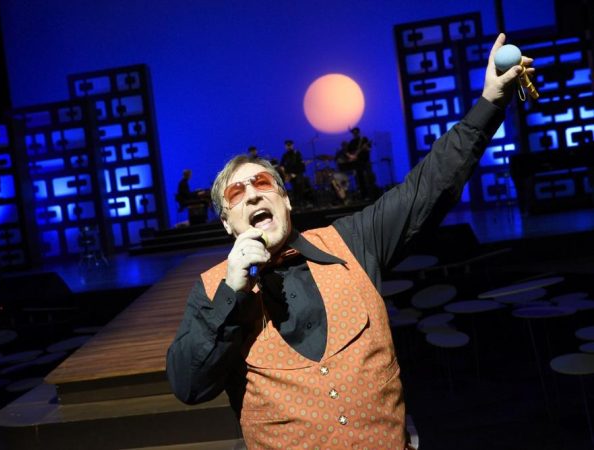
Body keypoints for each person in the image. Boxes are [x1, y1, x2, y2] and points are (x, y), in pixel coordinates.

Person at [166, 34, 533, 449]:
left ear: (286, 200)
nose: (252, 194)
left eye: (263, 183)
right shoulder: (211, 290)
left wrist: (489, 103)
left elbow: (429, 186)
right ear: (227, 223)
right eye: (237, 192)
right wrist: (231, 294)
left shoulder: (352, 242)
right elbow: (189, 385)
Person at [279, 139, 312, 207]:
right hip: (289, 175)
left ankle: (302, 202)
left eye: (289, 145)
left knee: (300, 187)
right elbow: (281, 165)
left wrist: (295, 173)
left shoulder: (297, 154)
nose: (288, 147)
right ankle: (296, 204)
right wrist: (285, 174)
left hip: (298, 174)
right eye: (287, 145)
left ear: (292, 145)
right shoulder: (285, 155)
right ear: (285, 146)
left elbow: (301, 165)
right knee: (294, 189)